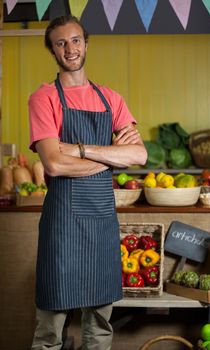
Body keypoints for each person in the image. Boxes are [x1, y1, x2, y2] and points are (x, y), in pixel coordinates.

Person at [28, 14, 147, 350]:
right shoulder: (44, 97)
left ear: (86, 43)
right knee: (51, 325)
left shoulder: (111, 98)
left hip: (101, 222)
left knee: (100, 323)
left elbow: (138, 156)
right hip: (62, 222)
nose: (70, 48)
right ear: (52, 51)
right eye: (61, 43)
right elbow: (53, 161)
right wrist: (109, 157)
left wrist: (79, 150)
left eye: (76, 40)